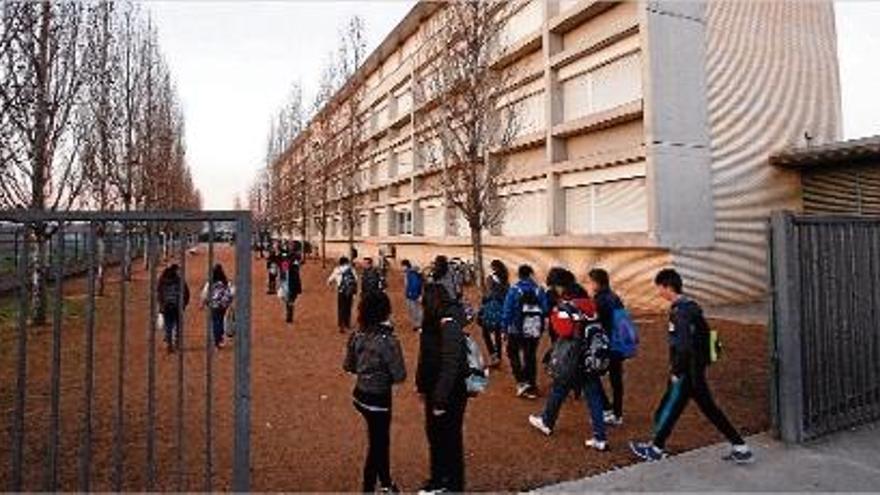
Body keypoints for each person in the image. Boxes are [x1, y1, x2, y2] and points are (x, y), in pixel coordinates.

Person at [630, 269, 754, 464]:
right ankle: (740, 447)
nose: (659, 293)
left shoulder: (680, 312)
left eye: (660, 288)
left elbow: (683, 345)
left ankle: (656, 448)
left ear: (668, 287)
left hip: (688, 371)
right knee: (691, 408)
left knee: (673, 407)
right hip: (695, 369)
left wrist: (677, 371)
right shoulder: (691, 307)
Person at [528, 268, 608, 451]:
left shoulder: (567, 305)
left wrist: (555, 314)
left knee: (559, 387)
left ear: (559, 285)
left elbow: (563, 331)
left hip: (573, 356)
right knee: (593, 395)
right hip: (590, 355)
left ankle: (547, 422)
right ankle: (600, 437)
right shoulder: (589, 302)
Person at [343, 291, 407, 493]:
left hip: (360, 394)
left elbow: (349, 366)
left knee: (377, 440)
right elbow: (399, 375)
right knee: (379, 444)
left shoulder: (356, 335)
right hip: (379, 398)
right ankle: (375, 485)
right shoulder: (388, 341)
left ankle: (383, 483)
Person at [416, 282, 469, 493]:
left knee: (449, 438)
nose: (420, 301)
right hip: (435, 388)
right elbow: (425, 357)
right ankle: (439, 479)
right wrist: (421, 385)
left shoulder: (449, 323)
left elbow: (451, 362)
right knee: (436, 435)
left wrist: (440, 398)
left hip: (448, 392)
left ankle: (452, 484)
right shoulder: (433, 321)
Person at [502, 264, 549, 399]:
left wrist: (504, 328)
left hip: (516, 329)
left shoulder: (514, 290)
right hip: (534, 330)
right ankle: (532, 384)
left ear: (519, 275)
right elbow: (545, 309)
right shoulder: (539, 290)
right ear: (531, 274)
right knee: (530, 356)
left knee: (513, 353)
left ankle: (521, 382)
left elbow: (507, 311)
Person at [588, 268, 627, 426]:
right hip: (618, 343)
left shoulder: (599, 299)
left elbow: (596, 322)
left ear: (596, 282)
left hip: (606, 344)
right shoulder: (614, 297)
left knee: (592, 376)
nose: (589, 285)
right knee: (616, 380)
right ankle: (617, 413)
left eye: (591, 281)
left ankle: (607, 409)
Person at [477, 259, 509, 368]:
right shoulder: (506, 280)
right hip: (501, 309)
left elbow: (488, 295)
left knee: (485, 333)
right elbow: (506, 297)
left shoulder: (490, 279)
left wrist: (483, 304)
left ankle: (493, 355)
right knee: (497, 335)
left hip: (490, 309)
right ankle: (498, 357)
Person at [157, 264, 190, 353]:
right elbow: (186, 293)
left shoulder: (162, 280)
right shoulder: (179, 280)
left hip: (166, 307)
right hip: (177, 306)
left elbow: (159, 294)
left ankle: (169, 344)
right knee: (178, 325)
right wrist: (184, 304)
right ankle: (177, 342)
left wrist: (161, 305)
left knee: (168, 326)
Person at [200, 263, 234, 349]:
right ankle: (220, 336)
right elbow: (231, 292)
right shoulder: (225, 282)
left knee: (215, 321)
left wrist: (203, 303)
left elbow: (205, 293)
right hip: (222, 305)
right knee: (221, 319)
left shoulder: (210, 283)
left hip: (213, 304)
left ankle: (217, 339)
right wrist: (229, 301)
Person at [328, 256, 358, 333]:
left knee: (341, 307)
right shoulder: (351, 269)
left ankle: (341, 324)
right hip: (349, 291)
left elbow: (330, 280)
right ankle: (347, 323)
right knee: (348, 307)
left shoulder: (337, 269)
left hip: (341, 291)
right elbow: (356, 279)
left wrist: (330, 283)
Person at [402, 259, 424, 332]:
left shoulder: (410, 273)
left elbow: (414, 284)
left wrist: (413, 294)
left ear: (405, 266)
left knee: (415, 310)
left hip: (413, 295)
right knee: (414, 310)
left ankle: (418, 325)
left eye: (402, 266)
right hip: (413, 294)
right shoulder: (410, 273)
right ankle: (417, 325)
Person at [282, 253, 303, 324]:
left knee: (289, 300)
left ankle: (289, 314)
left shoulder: (287, 264)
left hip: (289, 285)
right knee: (290, 300)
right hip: (292, 285)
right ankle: (289, 314)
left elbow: (283, 273)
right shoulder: (295, 266)